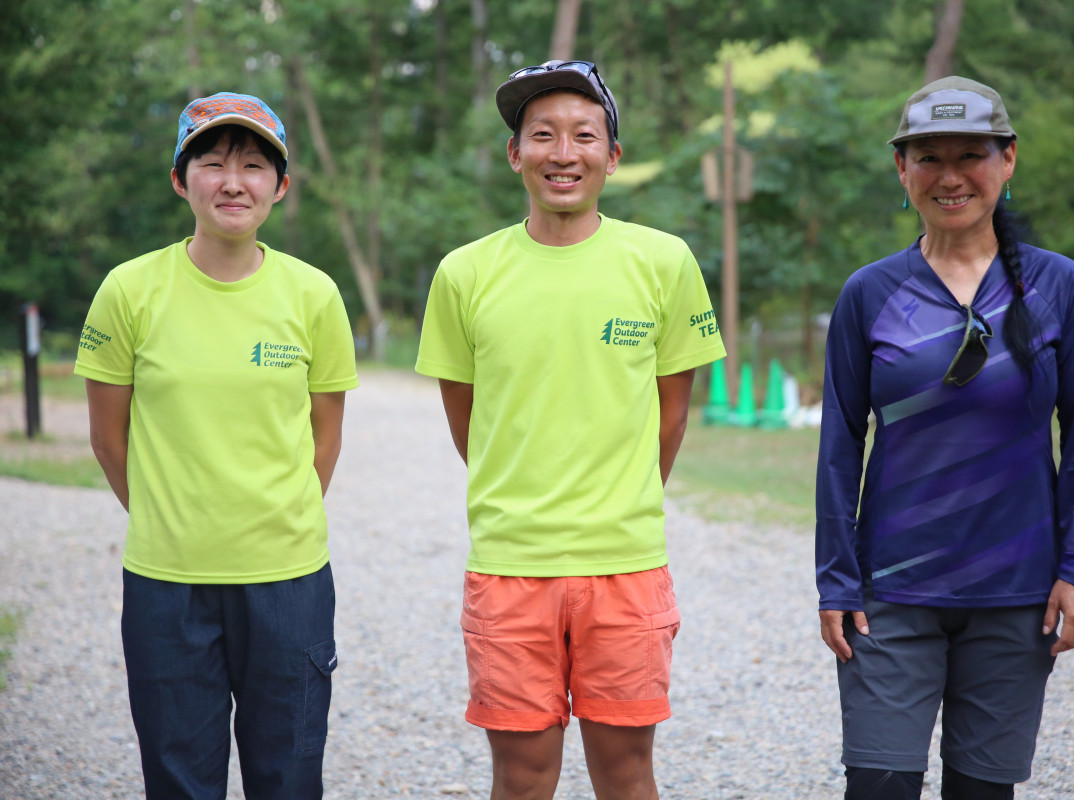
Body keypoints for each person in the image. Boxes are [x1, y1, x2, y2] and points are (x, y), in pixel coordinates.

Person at [416, 60, 726, 799]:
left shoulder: (663, 261)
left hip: (624, 564)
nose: (564, 153)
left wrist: (617, 500)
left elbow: (671, 412)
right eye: (543, 135)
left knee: (626, 773)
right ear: (514, 154)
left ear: (611, 156)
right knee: (521, 777)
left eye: (584, 135)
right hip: (509, 565)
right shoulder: (465, 273)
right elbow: (468, 420)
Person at [815, 76, 1074, 800]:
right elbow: (838, 448)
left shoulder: (1059, 288)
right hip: (890, 597)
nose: (950, 177)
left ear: (1007, 160)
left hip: (1016, 594)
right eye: (928, 158)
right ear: (902, 169)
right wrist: (836, 578)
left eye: (970, 156)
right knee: (877, 785)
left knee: (983, 792)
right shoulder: (870, 293)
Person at [75, 92, 359, 799]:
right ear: (181, 179)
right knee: (178, 779)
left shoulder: (314, 295)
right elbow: (109, 438)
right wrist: (175, 521)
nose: (234, 181)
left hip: (289, 579)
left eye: (255, 165)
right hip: (167, 582)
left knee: (288, 776)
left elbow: (326, 436)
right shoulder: (129, 290)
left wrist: (271, 519)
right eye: (212, 161)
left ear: (280, 186)